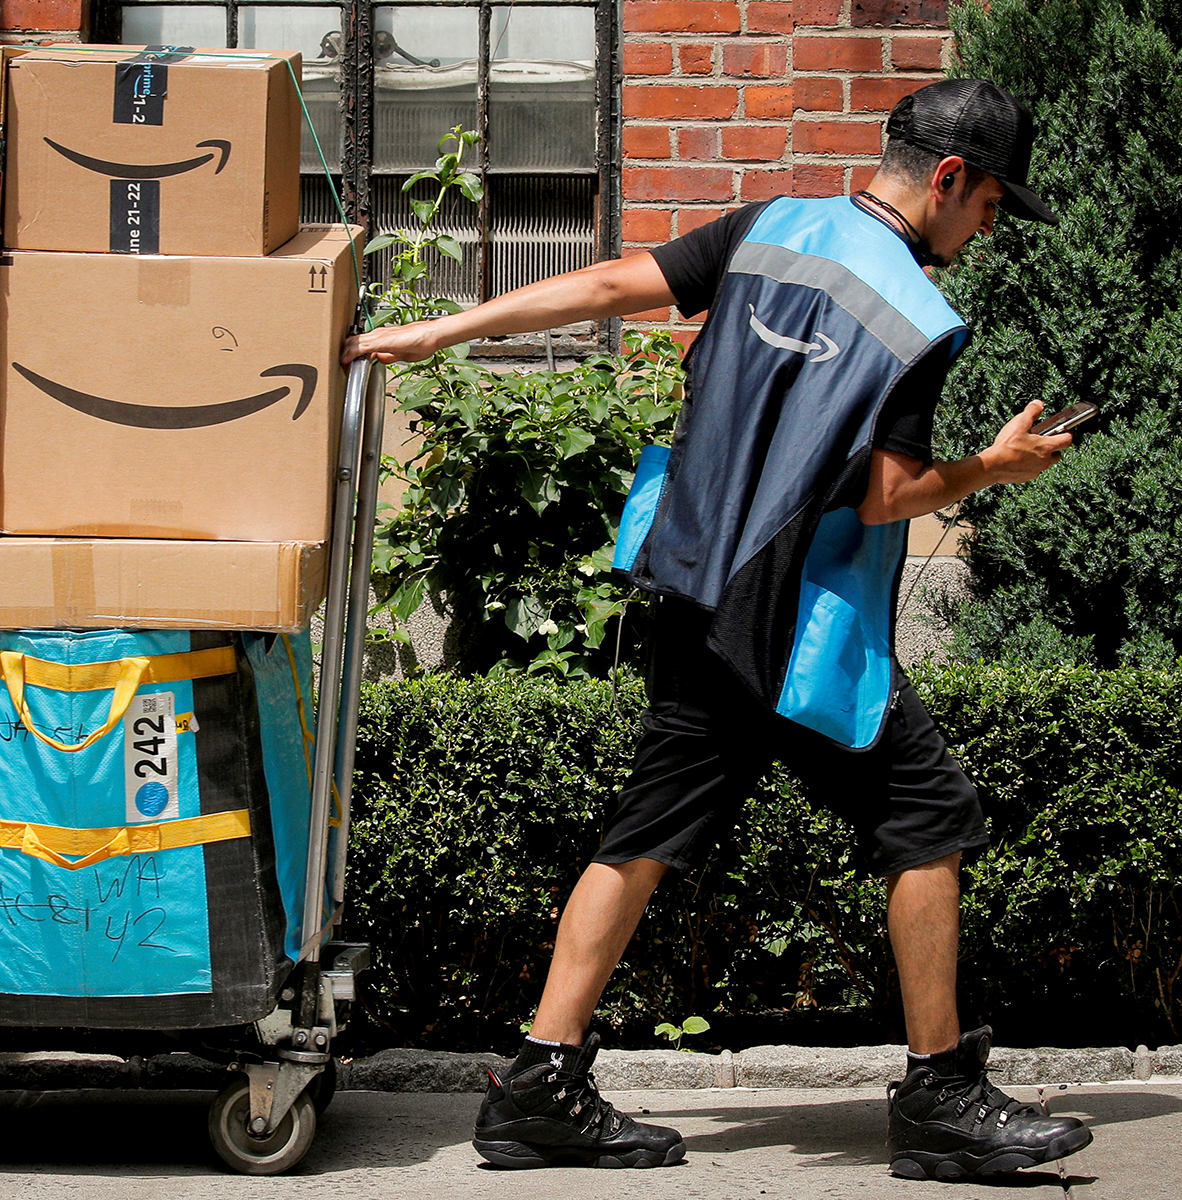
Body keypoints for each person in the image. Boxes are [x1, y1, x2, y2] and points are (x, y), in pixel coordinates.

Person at [342, 79, 1094, 1180]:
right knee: (928, 817)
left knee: (645, 832)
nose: (985, 228)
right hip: (793, 621)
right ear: (946, 178)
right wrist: (995, 466)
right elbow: (887, 496)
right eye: (987, 204)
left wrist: (442, 330)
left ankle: (537, 1085)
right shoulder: (916, 316)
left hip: (692, 584)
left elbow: (608, 283)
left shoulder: (769, 226)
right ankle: (939, 1097)